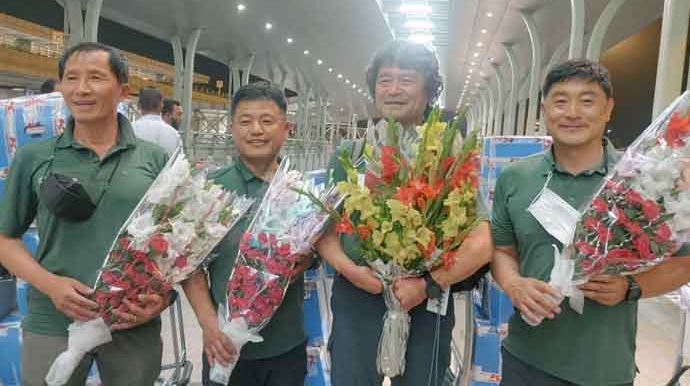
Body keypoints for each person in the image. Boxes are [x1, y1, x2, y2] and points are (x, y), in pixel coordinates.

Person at [490, 59, 690, 386]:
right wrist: (515, 285)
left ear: (608, 109)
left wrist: (630, 287)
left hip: (605, 367)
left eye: (587, 101)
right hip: (526, 358)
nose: (572, 112)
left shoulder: (644, 181)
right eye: (560, 101)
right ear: (545, 109)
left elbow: (686, 264)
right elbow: (502, 251)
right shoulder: (516, 177)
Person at [315, 40, 493, 386]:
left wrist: (426, 284)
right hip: (357, 301)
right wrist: (351, 271)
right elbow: (323, 230)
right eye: (385, 80)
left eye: (406, 80)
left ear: (429, 91)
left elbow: (481, 240)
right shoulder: (350, 155)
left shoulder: (446, 157)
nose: (393, 90)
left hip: (424, 304)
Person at [0, 42, 172, 385]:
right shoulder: (35, 157)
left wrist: (163, 297)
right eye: (71, 78)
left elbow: (173, 241)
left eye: (95, 77)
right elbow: (6, 238)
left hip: (131, 322)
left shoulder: (153, 158)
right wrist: (50, 285)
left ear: (123, 90)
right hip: (53, 320)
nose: (81, 89)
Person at [182, 82, 314, 386]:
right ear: (231, 128)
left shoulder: (301, 191)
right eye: (245, 121)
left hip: (286, 344)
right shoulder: (209, 188)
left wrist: (308, 258)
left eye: (267, 121)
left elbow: (316, 252)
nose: (256, 130)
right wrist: (209, 326)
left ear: (285, 128)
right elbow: (188, 265)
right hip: (223, 345)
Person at [132, 87, 182, 156]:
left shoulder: (129, 130)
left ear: (138, 106)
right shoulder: (174, 134)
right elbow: (179, 164)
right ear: (161, 106)